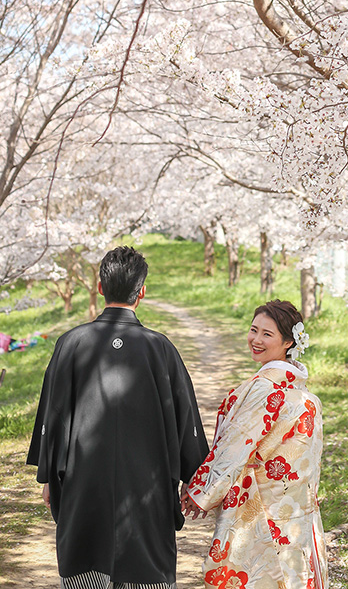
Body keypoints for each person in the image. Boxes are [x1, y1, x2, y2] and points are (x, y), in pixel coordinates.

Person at [27, 244, 209, 589]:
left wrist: (49, 474)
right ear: (142, 292)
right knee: (146, 572)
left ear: (100, 288)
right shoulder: (161, 348)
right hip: (147, 491)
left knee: (85, 564)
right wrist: (193, 476)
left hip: (83, 486)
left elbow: (53, 415)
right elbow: (185, 421)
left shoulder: (70, 343)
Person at [185, 299, 328, 589]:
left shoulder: (265, 387)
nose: (256, 339)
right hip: (295, 509)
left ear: (289, 341)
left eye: (267, 334)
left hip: (259, 505)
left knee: (258, 576)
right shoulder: (305, 394)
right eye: (253, 330)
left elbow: (236, 445)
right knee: (290, 575)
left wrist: (202, 491)